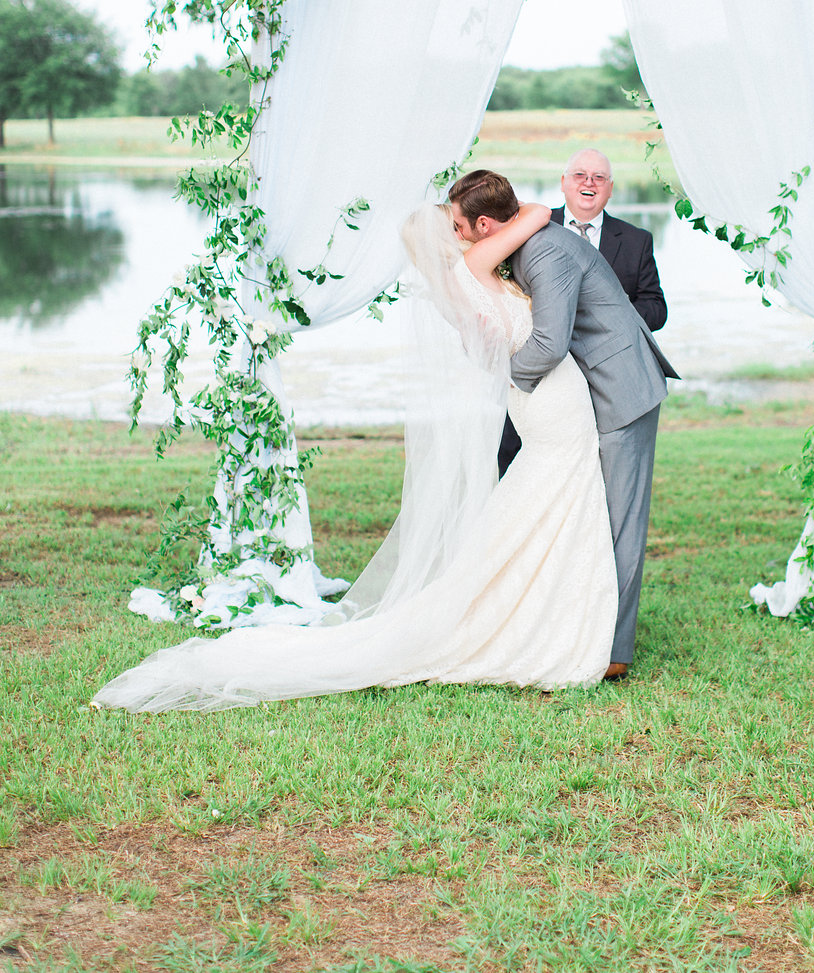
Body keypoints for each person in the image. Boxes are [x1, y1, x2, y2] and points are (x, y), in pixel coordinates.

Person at [91, 195, 619, 712]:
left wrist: (478, 215)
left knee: (544, 507)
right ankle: (540, 627)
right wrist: (493, 211)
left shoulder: (454, 284)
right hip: (550, 403)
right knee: (554, 501)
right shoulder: (471, 270)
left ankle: (535, 614)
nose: (464, 232)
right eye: (454, 226)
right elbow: (540, 214)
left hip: (543, 404)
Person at [450, 170, 678, 683]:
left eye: (460, 227)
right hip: (590, 391)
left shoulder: (545, 252)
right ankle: (576, 621)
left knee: (621, 520)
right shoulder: (528, 240)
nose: (457, 237)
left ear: (486, 225)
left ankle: (615, 651)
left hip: (623, 390)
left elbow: (550, 344)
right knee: (589, 512)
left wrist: (504, 377)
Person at [498, 148, 667, 476]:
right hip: (542, 371)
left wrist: (606, 321)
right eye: (580, 175)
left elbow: (656, 308)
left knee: (592, 469)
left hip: (607, 381)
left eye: (599, 177)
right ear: (563, 183)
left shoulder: (636, 240)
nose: (589, 182)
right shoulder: (529, 231)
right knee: (515, 456)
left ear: (610, 188)